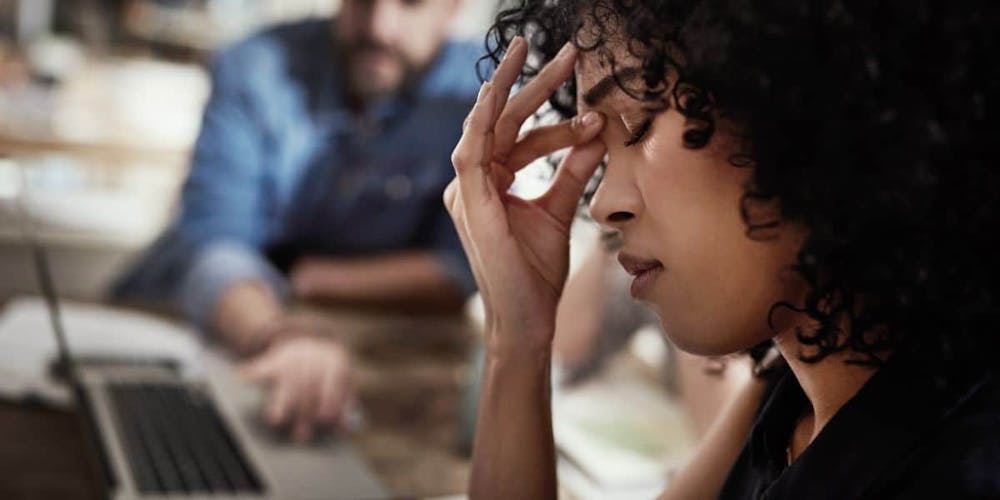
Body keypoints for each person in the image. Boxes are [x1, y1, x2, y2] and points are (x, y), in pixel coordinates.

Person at [445, 1, 1000, 498]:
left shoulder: (964, 467)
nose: (604, 204)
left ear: (801, 104)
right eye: (604, 154)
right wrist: (517, 337)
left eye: (636, 127)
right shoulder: (786, 393)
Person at [112, 0, 481, 443]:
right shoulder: (256, 66)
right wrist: (282, 334)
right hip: (198, 324)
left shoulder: (480, 92)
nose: (380, 28)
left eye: (411, 3)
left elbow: (459, 269)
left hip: (382, 366)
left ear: (453, 7)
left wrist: (299, 277)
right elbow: (214, 243)